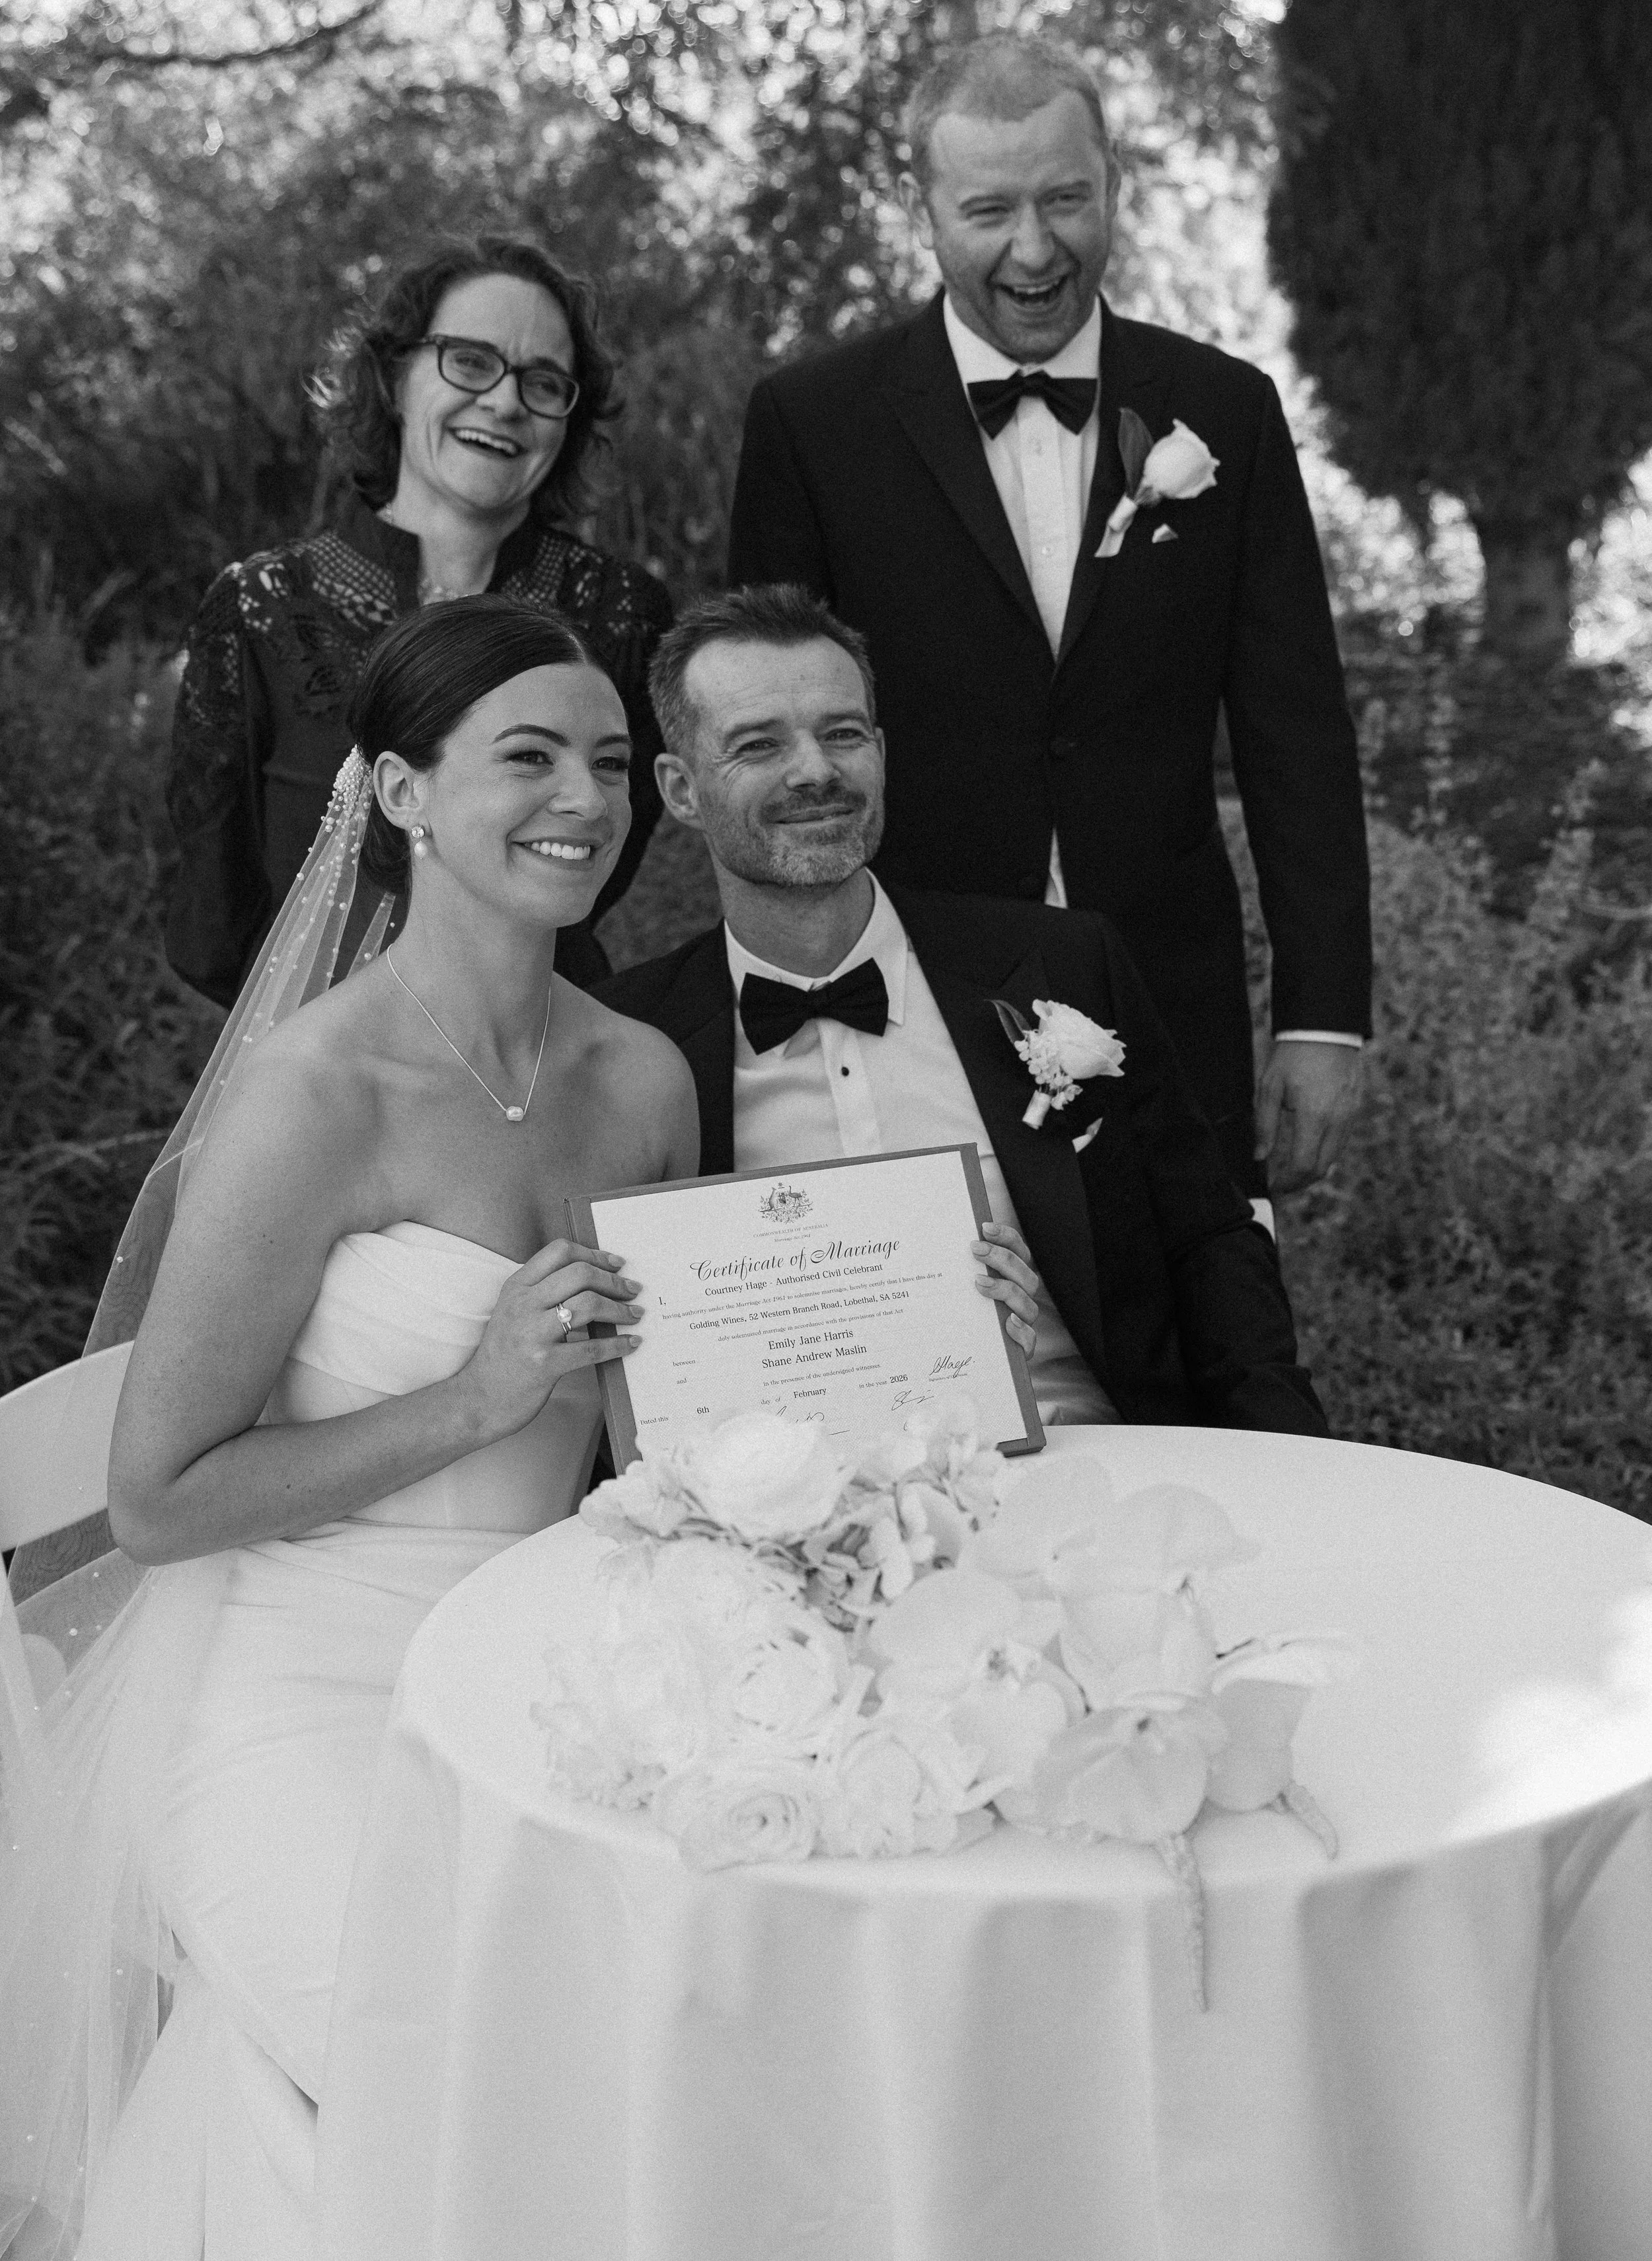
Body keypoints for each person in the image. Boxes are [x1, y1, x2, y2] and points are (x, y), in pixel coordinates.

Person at [0, 601, 705, 2260]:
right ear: (397, 791)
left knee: (672, 2042)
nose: (584, 799)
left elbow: (655, 1428)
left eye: (607, 762)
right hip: (291, 1694)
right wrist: (472, 1397)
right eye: (525, 757)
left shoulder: (645, 1078)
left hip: (552, 1681)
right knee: (465, 2089)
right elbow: (156, 1500)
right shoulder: (316, 1095)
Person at [726, 31, 1371, 1208]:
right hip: (913, 993)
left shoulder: (1226, 409)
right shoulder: (812, 424)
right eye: (990, 210)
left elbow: (1299, 736)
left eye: (1067, 199)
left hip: (1169, 997)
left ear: (1113, 184)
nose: (1035, 248)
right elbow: (763, 746)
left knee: (1201, 1352)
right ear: (923, 211)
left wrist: (1325, 1021)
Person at [594, 585, 1331, 1437]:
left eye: (843, 734)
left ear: (880, 750)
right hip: (788, 1510)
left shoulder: (1061, 965)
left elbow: (1209, 1239)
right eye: (759, 745)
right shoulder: (632, 1040)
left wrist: (1296, 1469)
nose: (815, 771)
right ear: (681, 789)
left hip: (1091, 1459)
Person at [164, 231, 673, 1003]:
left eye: (543, 382)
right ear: (394, 377)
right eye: (470, 361)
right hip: (317, 1070)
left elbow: (596, 864)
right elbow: (210, 918)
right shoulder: (259, 609)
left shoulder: (622, 614)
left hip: (540, 1046)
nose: (504, 401)